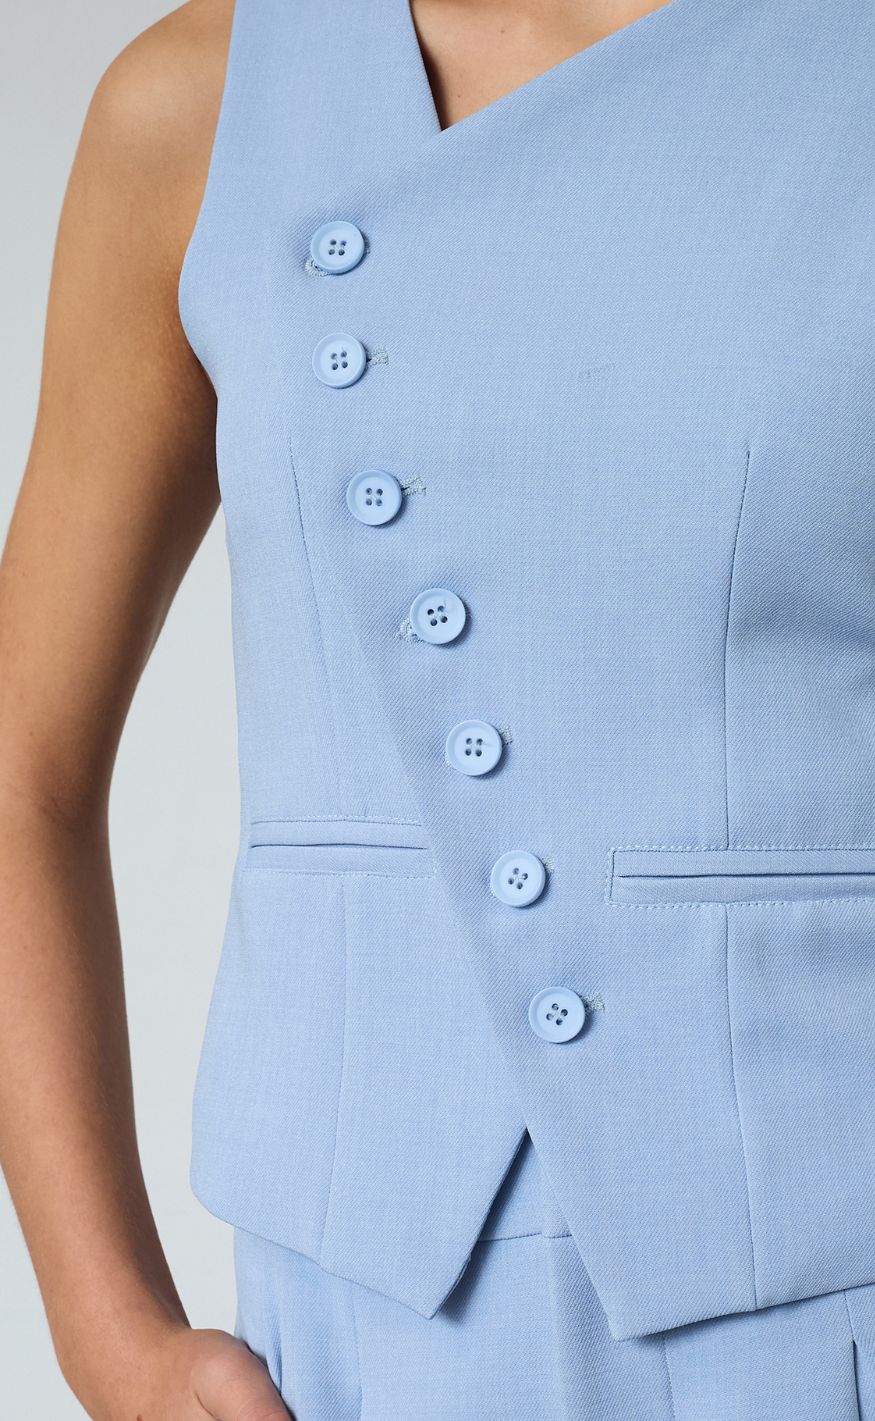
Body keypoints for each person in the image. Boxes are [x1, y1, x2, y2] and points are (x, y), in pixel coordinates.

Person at [3, 0, 875, 1417]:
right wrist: (113, 1341)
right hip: (357, 1334)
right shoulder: (204, 102)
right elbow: (19, 761)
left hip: (837, 1290)